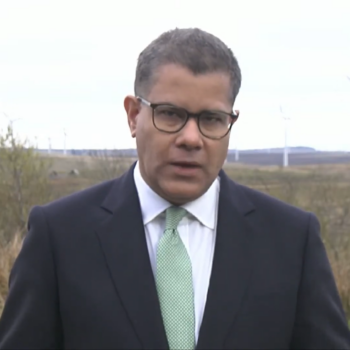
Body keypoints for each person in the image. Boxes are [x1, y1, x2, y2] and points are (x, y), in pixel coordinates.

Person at [0, 27, 349, 350]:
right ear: (133, 115)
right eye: (170, 114)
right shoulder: (60, 236)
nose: (191, 139)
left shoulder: (291, 240)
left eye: (212, 119)